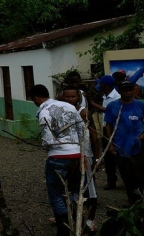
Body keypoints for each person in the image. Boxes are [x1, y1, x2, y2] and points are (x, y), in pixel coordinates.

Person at [29, 84, 84, 236]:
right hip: (76, 155)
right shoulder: (69, 107)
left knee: (57, 195)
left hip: (58, 157)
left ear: (36, 98)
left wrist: (48, 147)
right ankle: (77, 224)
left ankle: (64, 230)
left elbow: (47, 140)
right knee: (74, 192)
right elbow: (81, 130)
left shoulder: (44, 112)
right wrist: (81, 152)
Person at [104, 81, 144, 205]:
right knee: (127, 176)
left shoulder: (141, 105)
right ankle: (131, 201)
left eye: (130, 90)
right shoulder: (112, 106)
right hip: (120, 147)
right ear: (120, 91)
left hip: (138, 146)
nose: (128, 93)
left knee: (140, 175)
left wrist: (143, 135)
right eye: (125, 90)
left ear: (133, 91)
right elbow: (108, 125)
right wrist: (111, 144)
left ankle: (139, 201)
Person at [62, 86, 99, 232]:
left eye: (73, 97)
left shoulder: (83, 113)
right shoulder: (62, 112)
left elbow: (94, 135)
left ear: (78, 98)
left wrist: (96, 157)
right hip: (70, 155)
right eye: (67, 97)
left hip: (85, 155)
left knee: (89, 189)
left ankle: (90, 221)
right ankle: (77, 220)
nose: (70, 99)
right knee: (73, 189)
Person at [91, 75, 120, 190]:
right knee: (108, 158)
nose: (99, 86)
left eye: (101, 84)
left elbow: (109, 111)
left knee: (115, 156)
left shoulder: (115, 97)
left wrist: (93, 104)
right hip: (106, 129)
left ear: (106, 85)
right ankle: (111, 181)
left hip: (114, 130)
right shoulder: (105, 96)